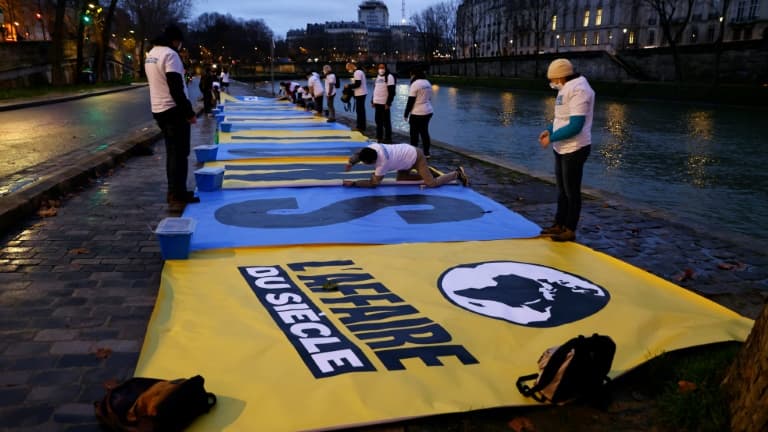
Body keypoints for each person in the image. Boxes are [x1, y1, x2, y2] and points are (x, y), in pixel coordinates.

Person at [537, 58, 595, 242]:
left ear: (561, 77)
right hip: (561, 148)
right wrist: (550, 129)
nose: (552, 83)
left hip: (575, 148)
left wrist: (551, 138)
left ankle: (570, 228)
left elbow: (576, 125)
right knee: (562, 190)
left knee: (572, 191)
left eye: (553, 79)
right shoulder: (565, 89)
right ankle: (558, 224)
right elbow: (561, 118)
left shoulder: (580, 90)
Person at [144, 24, 199, 211]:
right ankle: (178, 195)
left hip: (158, 109)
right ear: (176, 41)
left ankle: (174, 191)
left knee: (172, 153)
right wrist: (189, 113)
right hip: (173, 110)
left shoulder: (151, 53)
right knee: (180, 154)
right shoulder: (171, 55)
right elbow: (175, 87)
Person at [343, 143, 469, 188]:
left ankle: (457, 173)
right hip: (405, 158)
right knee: (401, 180)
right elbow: (359, 154)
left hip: (416, 157)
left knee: (431, 184)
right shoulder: (373, 147)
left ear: (371, 162)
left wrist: (354, 183)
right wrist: (351, 162)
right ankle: (427, 172)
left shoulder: (383, 163)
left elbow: (373, 183)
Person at [404, 67, 434, 157]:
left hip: (417, 112)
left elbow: (411, 101)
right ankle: (426, 153)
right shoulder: (427, 83)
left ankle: (414, 153)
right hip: (428, 111)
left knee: (414, 133)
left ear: (414, 74)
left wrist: (406, 113)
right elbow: (429, 98)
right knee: (424, 132)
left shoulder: (415, 84)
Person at [371, 63, 396, 143]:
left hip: (384, 103)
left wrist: (388, 103)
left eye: (382, 67)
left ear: (385, 68)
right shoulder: (377, 77)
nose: (381, 69)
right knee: (378, 121)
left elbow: (392, 92)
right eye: (379, 67)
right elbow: (375, 90)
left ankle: (388, 138)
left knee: (386, 122)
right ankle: (379, 137)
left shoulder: (389, 77)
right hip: (377, 102)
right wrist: (373, 100)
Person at [345, 62, 368, 132]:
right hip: (362, 93)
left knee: (360, 111)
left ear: (351, 66)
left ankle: (360, 127)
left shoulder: (357, 72)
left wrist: (348, 86)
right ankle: (361, 126)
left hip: (360, 93)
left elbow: (358, 84)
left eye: (348, 69)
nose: (348, 70)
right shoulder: (360, 71)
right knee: (361, 110)